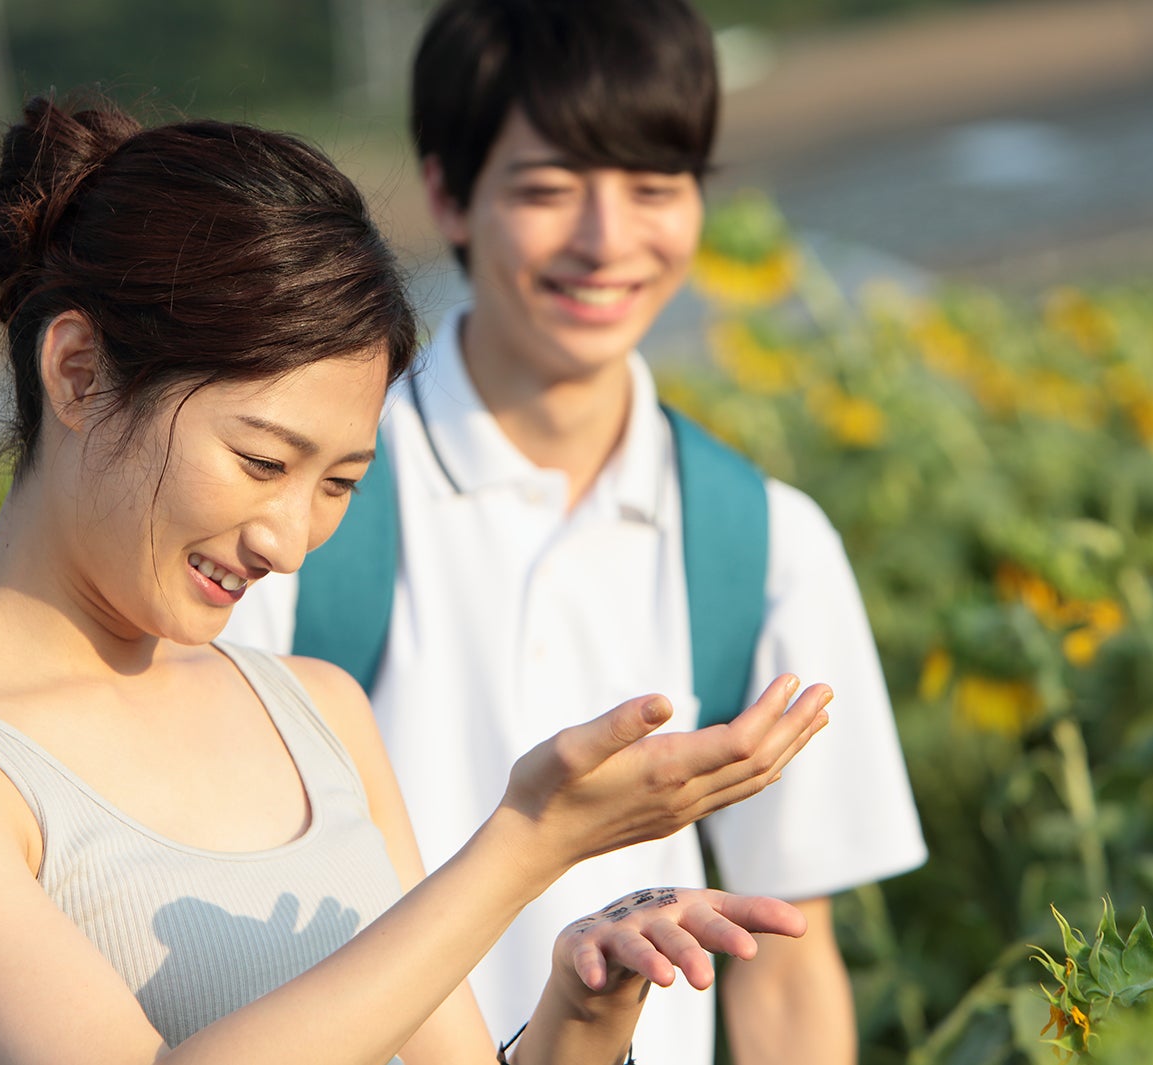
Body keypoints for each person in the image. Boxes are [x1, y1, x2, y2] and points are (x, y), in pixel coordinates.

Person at [0, 94, 837, 1065]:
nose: (291, 542)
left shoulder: (314, 711)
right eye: (260, 463)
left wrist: (579, 1018)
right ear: (77, 373)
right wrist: (525, 845)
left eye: (339, 482)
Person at [220, 1, 929, 1063]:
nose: (606, 242)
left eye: (653, 187)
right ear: (447, 195)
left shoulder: (764, 543)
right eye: (549, 189)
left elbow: (785, 964)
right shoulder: (303, 516)